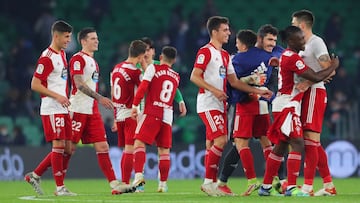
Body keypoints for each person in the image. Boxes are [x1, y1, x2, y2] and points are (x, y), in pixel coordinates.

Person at [189, 16, 273, 197]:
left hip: (221, 104)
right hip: (208, 102)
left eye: (228, 30)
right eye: (225, 30)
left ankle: (212, 183)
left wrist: (258, 91)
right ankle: (209, 183)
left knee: (212, 143)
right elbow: (194, 76)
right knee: (221, 140)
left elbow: (234, 82)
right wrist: (214, 90)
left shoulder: (226, 55)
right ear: (214, 32)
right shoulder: (206, 52)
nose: (229, 33)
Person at [258, 25, 339, 197]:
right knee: (298, 143)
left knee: (280, 146)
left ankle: (265, 188)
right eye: (300, 39)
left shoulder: (287, 56)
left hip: (284, 104)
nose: (304, 41)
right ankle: (292, 187)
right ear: (290, 41)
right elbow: (316, 77)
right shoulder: (293, 58)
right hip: (288, 105)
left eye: (303, 37)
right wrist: (334, 66)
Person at [68, 27, 135, 195]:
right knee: (69, 148)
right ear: (83, 41)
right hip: (78, 109)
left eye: (97, 38)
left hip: (92, 111)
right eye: (92, 38)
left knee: (103, 146)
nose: (96, 41)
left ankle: (114, 183)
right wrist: (100, 98)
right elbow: (78, 84)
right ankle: (46, 177)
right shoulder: (78, 59)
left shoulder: (94, 62)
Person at [24, 20, 76, 196]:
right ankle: (60, 188)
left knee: (69, 149)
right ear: (56, 36)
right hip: (51, 107)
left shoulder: (61, 54)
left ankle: (35, 175)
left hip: (62, 107)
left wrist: (66, 98)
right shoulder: (47, 57)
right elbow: (35, 84)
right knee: (59, 144)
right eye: (67, 37)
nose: (69, 40)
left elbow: (59, 82)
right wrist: (58, 96)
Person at [292, 10, 338, 196]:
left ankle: (308, 186)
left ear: (302, 25)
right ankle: (328, 185)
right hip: (306, 94)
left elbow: (330, 70)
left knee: (311, 140)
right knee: (313, 142)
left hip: (314, 93)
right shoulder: (302, 45)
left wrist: (309, 82)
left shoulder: (316, 42)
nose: (291, 25)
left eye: (293, 23)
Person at [134, 37, 187, 193]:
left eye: (149, 49)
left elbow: (143, 88)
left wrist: (134, 106)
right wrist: (181, 102)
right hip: (167, 114)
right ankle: (163, 184)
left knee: (138, 144)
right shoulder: (176, 75)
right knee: (164, 151)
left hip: (152, 111)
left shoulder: (153, 68)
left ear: (159, 55)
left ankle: (138, 179)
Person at [110, 40, 147, 188]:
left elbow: (113, 94)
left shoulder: (117, 68)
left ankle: (125, 182)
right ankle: (126, 182)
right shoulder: (135, 71)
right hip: (130, 114)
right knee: (131, 149)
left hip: (119, 114)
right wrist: (145, 68)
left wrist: (114, 117)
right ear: (140, 56)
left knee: (126, 149)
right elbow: (145, 88)